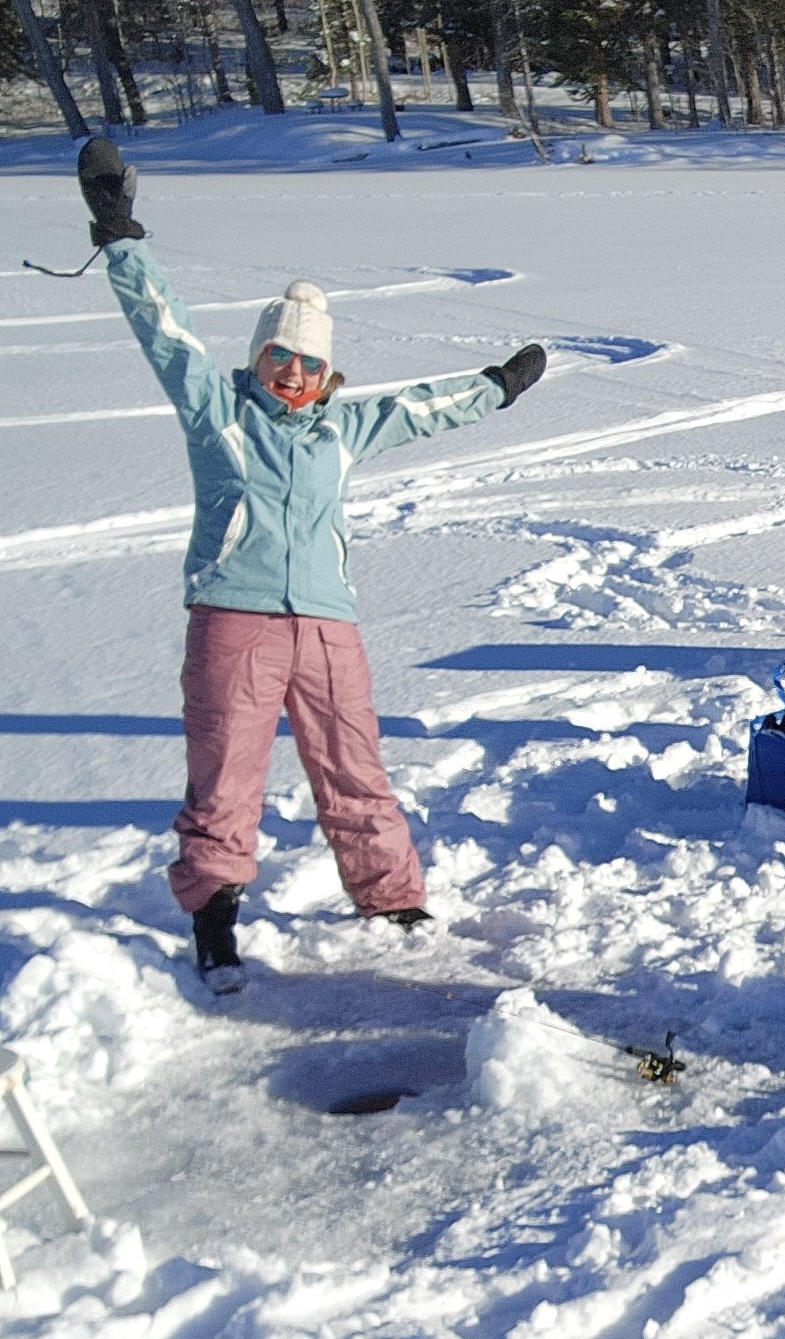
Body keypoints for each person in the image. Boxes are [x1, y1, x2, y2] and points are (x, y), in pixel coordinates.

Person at [73, 137, 547, 991]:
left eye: (308, 364)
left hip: (329, 623)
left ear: (327, 375)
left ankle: (392, 897)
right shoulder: (218, 413)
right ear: (258, 361)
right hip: (234, 619)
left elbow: (419, 409)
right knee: (225, 774)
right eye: (279, 358)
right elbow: (166, 331)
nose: (292, 373)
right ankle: (214, 916)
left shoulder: (340, 428)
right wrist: (121, 235)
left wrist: (498, 386)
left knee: (355, 767)